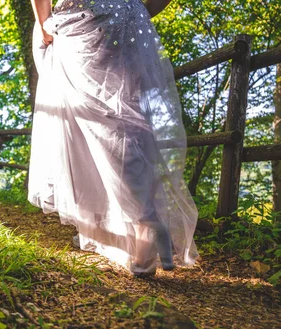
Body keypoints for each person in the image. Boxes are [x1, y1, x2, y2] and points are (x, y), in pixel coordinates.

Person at [27, 0, 199, 277]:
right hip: (132, 19)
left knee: (95, 123)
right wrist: (135, 9)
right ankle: (135, 228)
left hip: (82, 17)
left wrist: (44, 24)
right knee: (130, 122)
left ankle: (145, 223)